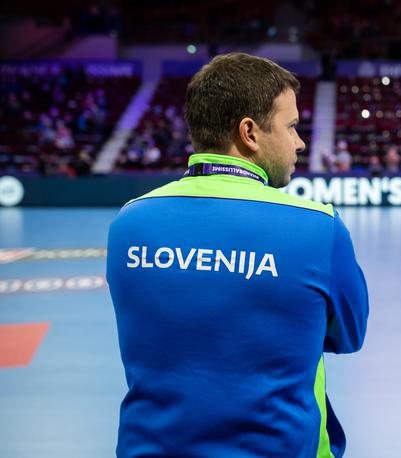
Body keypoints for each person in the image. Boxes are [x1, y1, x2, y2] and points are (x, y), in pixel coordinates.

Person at [107, 52, 369, 458]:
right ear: (250, 132)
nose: (299, 141)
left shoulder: (129, 223)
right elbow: (347, 335)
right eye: (292, 126)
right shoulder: (319, 227)